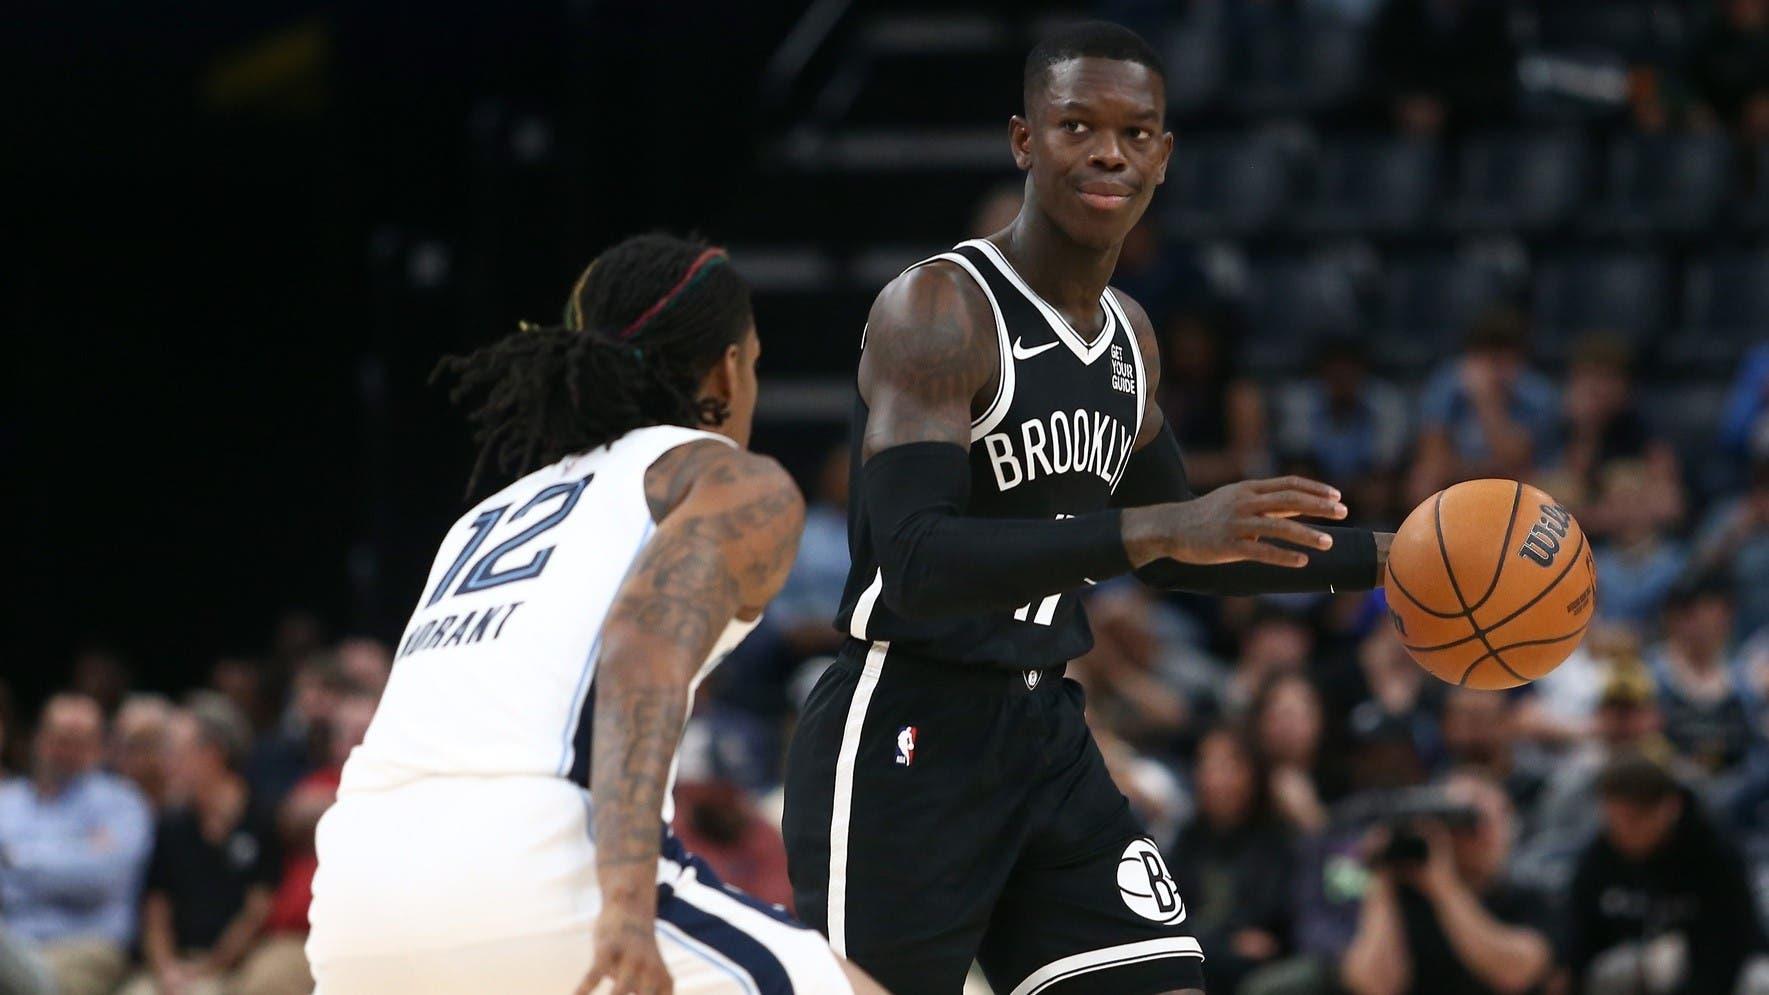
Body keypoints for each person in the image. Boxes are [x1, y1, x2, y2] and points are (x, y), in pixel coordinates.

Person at [781, 22, 1393, 995]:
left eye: (1133, 130)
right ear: (1024, 141)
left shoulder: (1129, 338)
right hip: (908, 724)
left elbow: (1181, 550)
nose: (1108, 149)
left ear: (1161, 155)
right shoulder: (941, 309)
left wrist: (1391, 558)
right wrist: (1154, 526)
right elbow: (914, 560)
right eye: (1076, 125)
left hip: (1045, 727)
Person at [304, 234, 882, 994]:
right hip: (538, 874)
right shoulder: (727, 480)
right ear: (728, 370)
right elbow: (640, 654)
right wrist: (625, 903)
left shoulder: (485, 517)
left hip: (354, 907)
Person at [120, 697, 284, 995]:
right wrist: (167, 969)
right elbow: (156, 909)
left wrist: (211, 967)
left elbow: (257, 910)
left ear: (213, 754)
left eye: (176, 752)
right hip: (174, 965)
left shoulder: (261, 818)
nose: (166, 764)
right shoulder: (171, 824)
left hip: (237, 964)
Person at [1563, 753, 1762, 995]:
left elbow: (1731, 946)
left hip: (1712, 973)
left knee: (1758, 979)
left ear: (1669, 808)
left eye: (1634, 820)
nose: (1623, 832)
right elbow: (1580, 940)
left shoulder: (1714, 854)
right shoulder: (1599, 855)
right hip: (1636, 970)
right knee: (1614, 968)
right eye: (1614, 821)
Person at [1340, 770, 1554, 995]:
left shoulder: (1531, 897)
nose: (1481, 833)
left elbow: (1515, 974)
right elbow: (1372, 986)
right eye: (1466, 821)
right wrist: (1381, 880)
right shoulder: (1402, 901)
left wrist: (1445, 888)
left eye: (1487, 819)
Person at [0, 694, 153, 995]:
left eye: (78, 740)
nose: (65, 750)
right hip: (13, 938)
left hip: (85, 947)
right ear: (39, 738)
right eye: (59, 737)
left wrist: (13, 858)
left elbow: (101, 878)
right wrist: (72, 854)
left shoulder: (121, 802)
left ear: (99, 747)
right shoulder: (8, 801)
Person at [1171, 726, 1295, 992]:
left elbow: (1269, 931)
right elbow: (1168, 916)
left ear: (1254, 773)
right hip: (1198, 955)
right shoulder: (1186, 838)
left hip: (1250, 970)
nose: (1215, 779)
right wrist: (1223, 942)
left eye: (1228, 766)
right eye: (1207, 765)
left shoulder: (1277, 841)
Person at [1409, 309, 1558, 504]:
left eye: (1505, 358)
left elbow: (1516, 459)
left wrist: (1486, 401)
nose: (1495, 368)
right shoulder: (1447, 384)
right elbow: (1433, 453)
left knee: (1540, 485)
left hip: (1515, 479)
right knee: (1424, 478)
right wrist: (1474, 470)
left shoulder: (1536, 395)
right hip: (1461, 473)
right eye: (1488, 357)